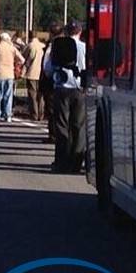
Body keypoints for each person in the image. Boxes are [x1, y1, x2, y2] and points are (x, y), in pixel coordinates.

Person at [44, 19, 87, 173]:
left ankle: (61, 162)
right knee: (78, 126)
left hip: (62, 89)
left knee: (62, 126)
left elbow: (48, 69)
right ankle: (76, 163)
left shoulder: (57, 46)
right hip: (80, 90)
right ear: (80, 31)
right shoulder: (85, 48)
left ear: (67, 31)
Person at [0, 32, 23, 122]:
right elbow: (22, 59)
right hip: (10, 74)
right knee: (8, 95)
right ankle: (8, 115)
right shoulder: (12, 48)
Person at [40, 22, 63, 143]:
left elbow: (47, 65)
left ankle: (53, 135)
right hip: (57, 81)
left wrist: (47, 75)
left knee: (52, 109)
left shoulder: (53, 45)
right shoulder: (59, 44)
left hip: (51, 81)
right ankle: (54, 134)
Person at [22, 30, 46, 121]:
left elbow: (23, 57)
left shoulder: (30, 46)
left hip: (32, 73)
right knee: (41, 95)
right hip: (41, 73)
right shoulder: (42, 46)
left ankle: (34, 114)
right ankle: (41, 114)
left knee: (32, 94)